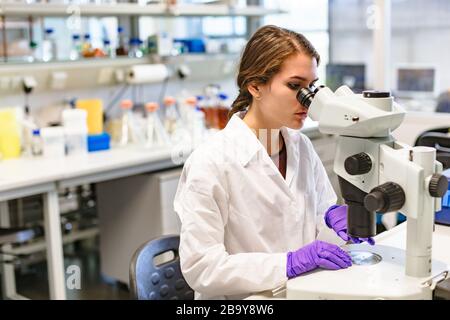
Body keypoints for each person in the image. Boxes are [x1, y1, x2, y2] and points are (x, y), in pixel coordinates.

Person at [173, 25, 374, 300]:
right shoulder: (211, 162)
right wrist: (287, 263)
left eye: (311, 87)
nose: (307, 99)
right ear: (255, 86)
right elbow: (202, 268)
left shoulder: (300, 146)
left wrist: (334, 220)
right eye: (294, 86)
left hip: (303, 290)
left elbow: (316, 222)